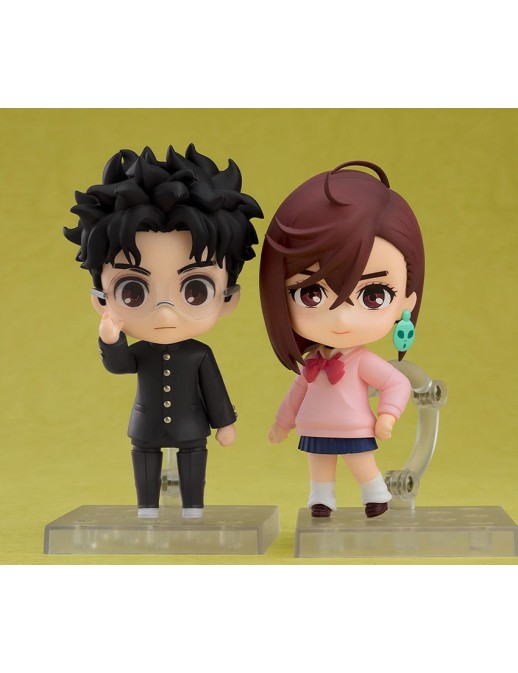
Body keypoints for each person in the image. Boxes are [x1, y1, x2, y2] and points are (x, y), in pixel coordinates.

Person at [64, 144, 262, 518]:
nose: (166, 312)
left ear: (228, 298)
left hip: (191, 427)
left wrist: (225, 424)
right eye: (133, 291)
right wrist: (111, 338)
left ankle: (193, 509)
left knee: (193, 461)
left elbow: (215, 390)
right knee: (144, 461)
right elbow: (120, 365)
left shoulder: (199, 353)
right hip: (146, 426)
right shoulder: (141, 351)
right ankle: (147, 509)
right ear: (101, 299)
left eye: (196, 290)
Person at [259, 161, 424, 518]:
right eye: (311, 294)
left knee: (361, 462)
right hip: (314, 423)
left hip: (353, 425)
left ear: (405, 302)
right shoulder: (312, 363)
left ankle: (375, 494)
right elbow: (296, 393)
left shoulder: (362, 361)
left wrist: (388, 415)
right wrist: (282, 424)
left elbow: (396, 383)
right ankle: (321, 499)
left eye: (373, 296)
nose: (342, 318)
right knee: (318, 465)